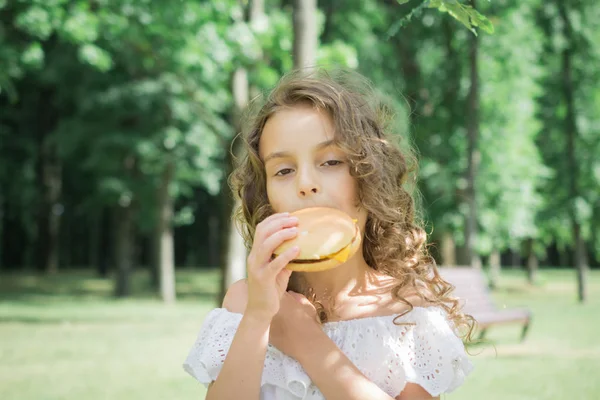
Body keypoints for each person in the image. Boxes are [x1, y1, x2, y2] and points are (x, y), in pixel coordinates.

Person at [183, 68, 475, 400]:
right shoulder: (244, 303)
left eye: (331, 162)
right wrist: (259, 317)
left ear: (369, 175)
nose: (305, 184)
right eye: (284, 170)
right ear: (266, 196)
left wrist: (306, 340)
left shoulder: (405, 309)